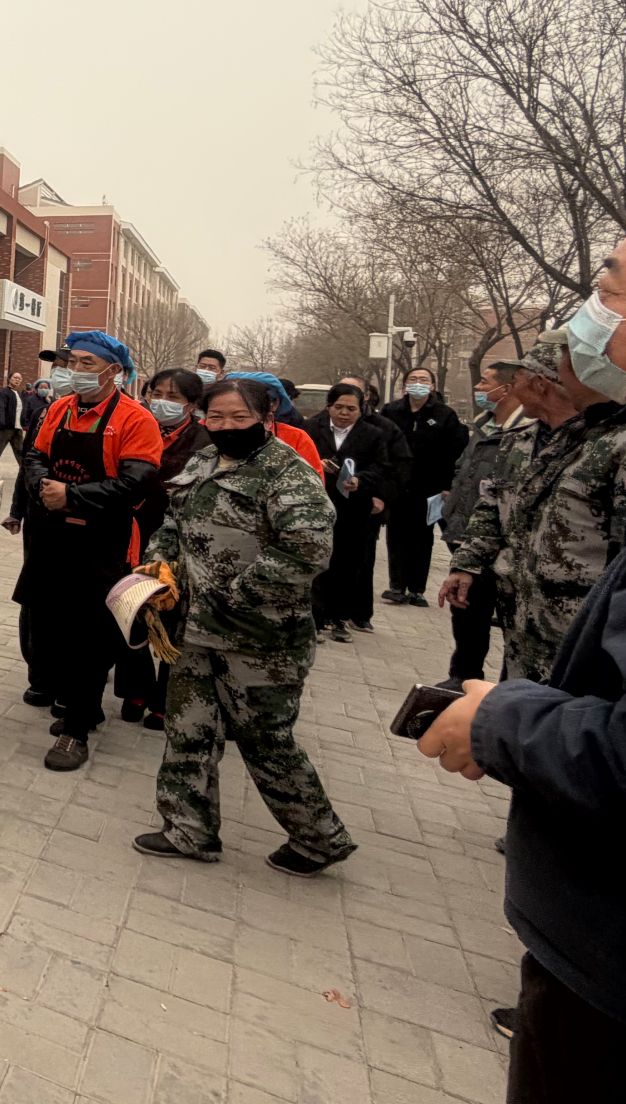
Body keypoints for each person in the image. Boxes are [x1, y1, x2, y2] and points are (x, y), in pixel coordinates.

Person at [416, 233, 626, 1099]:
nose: (588, 316)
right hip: (550, 645)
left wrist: (509, 722)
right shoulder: (570, 437)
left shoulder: (624, 447)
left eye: (608, 288)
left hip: (612, 979)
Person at [135, 377, 353, 875]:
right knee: (188, 730)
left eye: (239, 417)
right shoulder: (203, 461)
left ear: (266, 417)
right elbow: (173, 521)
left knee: (266, 742)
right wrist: (159, 563)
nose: (226, 426)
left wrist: (232, 597)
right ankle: (188, 829)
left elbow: (305, 552)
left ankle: (319, 839)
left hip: (260, 639)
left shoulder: (288, 473)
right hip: (194, 631)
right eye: (216, 417)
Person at [441, 329, 626, 688]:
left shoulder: (615, 444)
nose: (512, 388)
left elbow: (625, 552)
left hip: (580, 634)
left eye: (517, 379)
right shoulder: (525, 442)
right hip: (524, 617)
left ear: (541, 383)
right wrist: (467, 563)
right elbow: (492, 505)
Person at [14, 330, 162, 771]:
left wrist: (73, 496)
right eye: (71, 362)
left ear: (113, 371)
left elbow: (136, 482)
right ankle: (83, 705)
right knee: (53, 628)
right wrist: (44, 488)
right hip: (52, 535)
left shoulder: (135, 419)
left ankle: (76, 731)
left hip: (103, 542)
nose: (74, 371)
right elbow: (34, 456)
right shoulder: (60, 408)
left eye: (86, 364)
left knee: (92, 637)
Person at [116, 368, 209, 727]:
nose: (162, 402)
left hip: (177, 539)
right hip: (131, 531)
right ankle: (135, 689)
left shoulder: (204, 441)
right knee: (130, 610)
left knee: (171, 614)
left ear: (191, 405)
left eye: (173, 397)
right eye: (157, 393)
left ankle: (164, 697)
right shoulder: (136, 425)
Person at [440, 363, 534, 683]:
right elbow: (464, 468)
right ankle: (464, 676)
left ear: (506, 389)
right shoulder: (483, 424)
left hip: (504, 544)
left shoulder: (527, 430)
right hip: (468, 532)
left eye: (484, 381)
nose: (478, 388)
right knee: (465, 607)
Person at [303, 382, 410, 640]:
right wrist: (316, 465)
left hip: (354, 507)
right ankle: (315, 619)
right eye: (338, 407)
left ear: (361, 410)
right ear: (329, 406)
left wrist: (361, 480)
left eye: (351, 408)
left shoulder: (374, 435)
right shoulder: (311, 429)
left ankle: (339, 618)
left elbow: (382, 467)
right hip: (316, 503)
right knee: (317, 562)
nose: (344, 413)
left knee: (348, 563)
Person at [379, 367, 470, 608]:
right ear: (405, 385)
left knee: (422, 538)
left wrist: (448, 485)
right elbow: (381, 445)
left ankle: (417, 589)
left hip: (430, 487)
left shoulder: (445, 415)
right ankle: (396, 586)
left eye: (423, 380)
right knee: (396, 535)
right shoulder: (391, 411)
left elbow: (454, 453)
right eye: (413, 379)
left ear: (432, 386)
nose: (418, 383)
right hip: (398, 485)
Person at [231, 370, 329, 481]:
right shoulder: (216, 433)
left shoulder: (296, 438)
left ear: (275, 404)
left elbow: (313, 484)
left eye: (254, 399)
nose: (246, 406)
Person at [0, 371, 22, 457]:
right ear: (9, 379)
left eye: (19, 378)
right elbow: (0, 408)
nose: (17, 380)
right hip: (5, 429)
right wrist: (1, 424)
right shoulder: (3, 392)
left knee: (21, 455)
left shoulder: (19, 394)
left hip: (18, 428)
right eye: (15, 378)